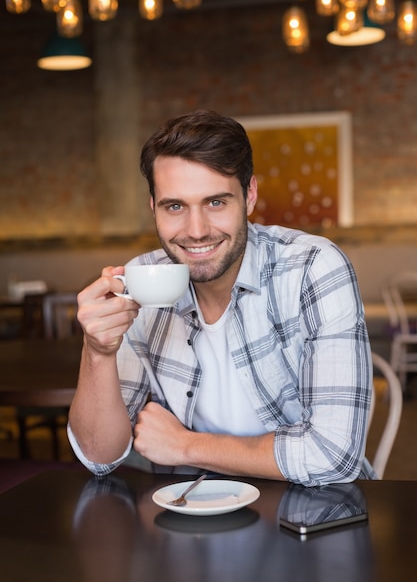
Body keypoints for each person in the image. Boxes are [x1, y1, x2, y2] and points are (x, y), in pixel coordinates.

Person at [68, 109, 376, 486]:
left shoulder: (312, 267)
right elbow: (99, 458)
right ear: (154, 208)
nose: (196, 231)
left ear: (249, 196)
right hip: (189, 518)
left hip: (313, 513)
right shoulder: (141, 281)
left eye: (216, 202)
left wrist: (186, 447)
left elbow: (333, 456)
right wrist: (97, 352)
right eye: (175, 206)